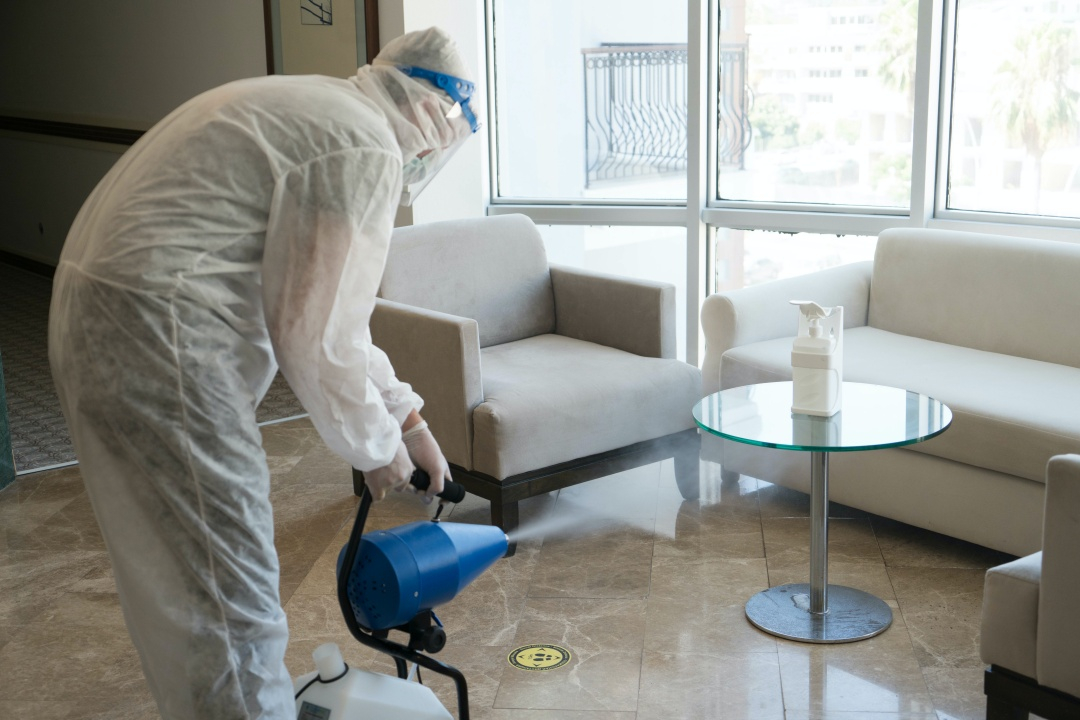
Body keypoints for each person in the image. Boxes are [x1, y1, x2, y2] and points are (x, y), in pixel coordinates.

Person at [48, 26, 478, 720]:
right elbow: (318, 340)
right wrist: (378, 451)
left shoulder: (325, 111)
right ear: (432, 109)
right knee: (229, 595)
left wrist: (408, 416)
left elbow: (332, 309)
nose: (432, 154)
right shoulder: (362, 145)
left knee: (183, 586)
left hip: (101, 322)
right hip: (160, 338)